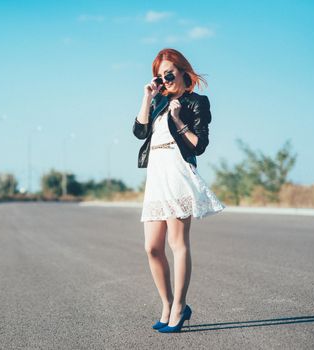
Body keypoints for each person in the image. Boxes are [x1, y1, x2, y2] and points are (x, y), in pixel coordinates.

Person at [132, 48, 225, 333]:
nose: (164, 79)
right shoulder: (157, 101)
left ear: (184, 72)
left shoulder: (196, 102)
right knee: (151, 248)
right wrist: (148, 95)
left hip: (178, 173)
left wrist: (179, 120)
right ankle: (168, 303)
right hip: (156, 177)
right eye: (160, 76)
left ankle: (178, 307)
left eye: (168, 73)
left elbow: (199, 146)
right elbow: (138, 132)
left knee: (177, 244)